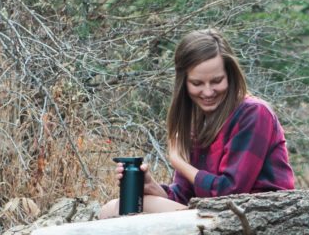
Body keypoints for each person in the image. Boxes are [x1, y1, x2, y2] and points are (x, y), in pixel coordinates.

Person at [98, 29, 295, 219]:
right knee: (110, 209)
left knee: (134, 208)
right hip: (215, 216)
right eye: (197, 83)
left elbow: (230, 193)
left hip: (256, 217)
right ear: (184, 83)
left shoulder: (254, 113)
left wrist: (179, 162)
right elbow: (186, 196)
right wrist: (152, 188)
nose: (208, 92)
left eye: (216, 81)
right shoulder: (195, 123)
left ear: (230, 75)